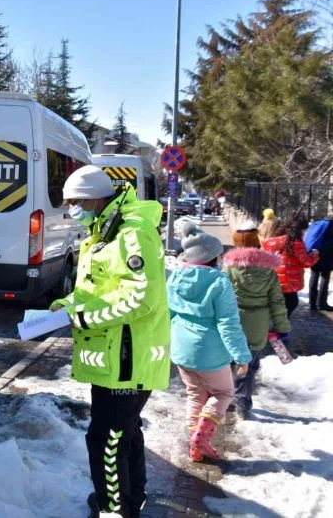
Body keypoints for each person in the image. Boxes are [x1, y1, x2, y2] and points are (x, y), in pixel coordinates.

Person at [50, 166, 170, 518]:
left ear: (96, 198)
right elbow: (99, 289)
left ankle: (114, 509)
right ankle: (129, 500)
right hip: (113, 356)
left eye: (76, 202)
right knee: (125, 433)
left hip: (127, 358)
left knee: (106, 440)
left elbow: (139, 298)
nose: (72, 208)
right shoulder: (103, 231)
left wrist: (82, 317)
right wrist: (66, 306)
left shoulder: (131, 234)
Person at [167, 223, 251, 462]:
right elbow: (228, 324)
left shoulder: (175, 277)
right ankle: (201, 438)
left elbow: (169, 313)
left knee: (195, 395)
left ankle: (195, 448)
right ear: (213, 258)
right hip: (211, 353)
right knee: (224, 393)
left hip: (182, 348)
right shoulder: (219, 282)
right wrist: (242, 356)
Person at [223, 224, 290, 418]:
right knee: (249, 365)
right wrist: (282, 327)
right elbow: (277, 301)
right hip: (258, 324)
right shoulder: (269, 271)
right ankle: (243, 402)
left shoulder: (229, 268)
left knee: (228, 362)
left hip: (232, 321)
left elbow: (221, 295)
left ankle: (226, 398)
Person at [261, 216, 319, 320]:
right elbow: (306, 262)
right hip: (290, 281)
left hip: (274, 278)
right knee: (291, 303)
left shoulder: (275, 240)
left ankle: (275, 324)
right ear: (300, 229)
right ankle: (279, 327)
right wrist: (315, 254)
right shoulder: (296, 243)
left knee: (279, 303)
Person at [305, 214, 333, 311]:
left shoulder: (319, 223)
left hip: (315, 252)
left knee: (314, 276)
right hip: (327, 254)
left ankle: (312, 302)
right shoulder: (331, 225)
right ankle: (322, 303)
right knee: (325, 277)